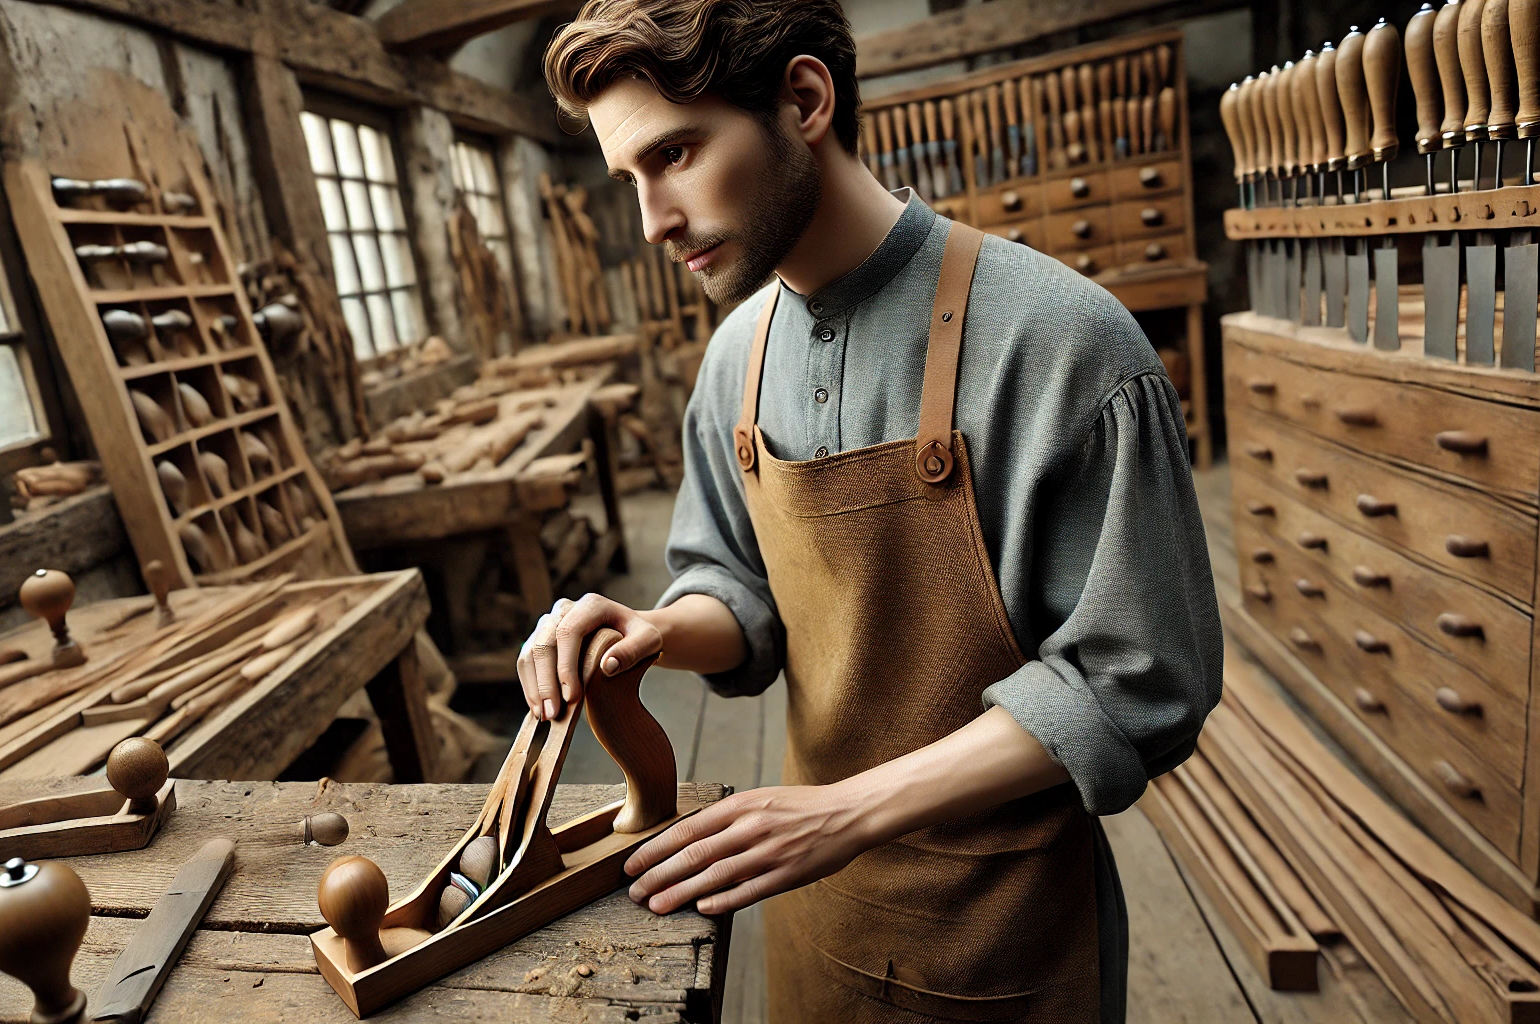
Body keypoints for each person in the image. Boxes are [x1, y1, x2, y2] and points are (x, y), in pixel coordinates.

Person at [517, 2, 1221, 1020]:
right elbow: (739, 591)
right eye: (630, 178)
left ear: (804, 100)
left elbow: (1135, 680)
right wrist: (658, 629)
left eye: (675, 153)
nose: (652, 223)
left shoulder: (1067, 345)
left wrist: (845, 810)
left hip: (999, 931)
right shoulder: (734, 361)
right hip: (812, 907)